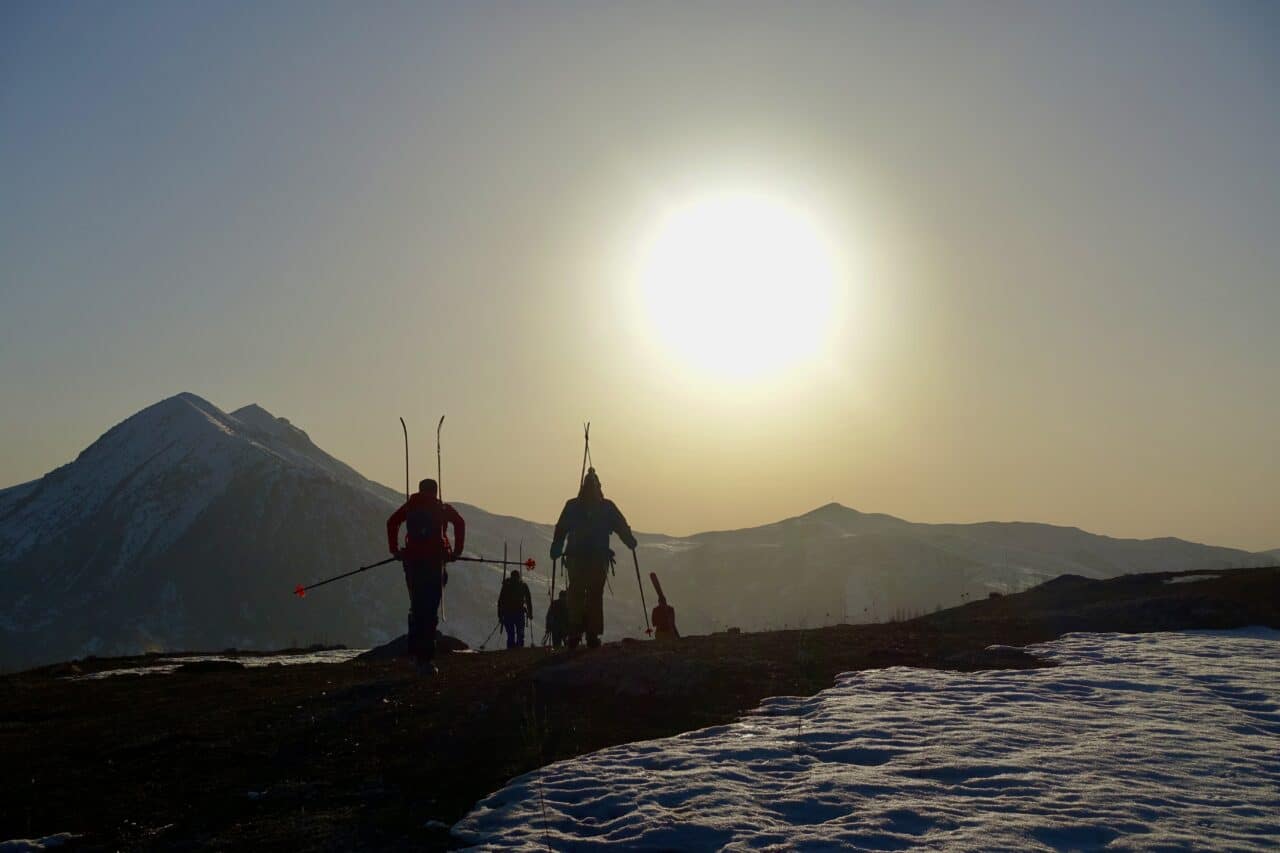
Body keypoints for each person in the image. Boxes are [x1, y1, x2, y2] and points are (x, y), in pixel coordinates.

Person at [549, 467, 637, 649]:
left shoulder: (573, 506)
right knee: (594, 596)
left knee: (576, 595)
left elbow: (561, 528)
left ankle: (575, 632)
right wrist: (629, 540)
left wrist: (557, 546)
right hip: (596, 559)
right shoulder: (606, 507)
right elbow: (621, 525)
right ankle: (591, 633)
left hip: (577, 558)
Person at [386, 478, 465, 676]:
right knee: (430, 609)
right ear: (436, 491)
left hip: (412, 564)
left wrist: (395, 550)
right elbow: (460, 523)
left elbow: (391, 522)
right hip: (435, 564)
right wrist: (456, 551)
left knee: (416, 606)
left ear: (419, 490)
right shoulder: (441, 508)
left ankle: (414, 654)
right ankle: (426, 659)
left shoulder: (410, 507)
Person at [498, 569, 533, 648]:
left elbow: (501, 601)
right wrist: (530, 613)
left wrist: (500, 615)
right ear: (518, 577)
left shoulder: (506, 585)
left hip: (508, 613)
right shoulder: (523, 585)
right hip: (519, 613)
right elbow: (528, 601)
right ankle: (518, 652)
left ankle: (511, 652)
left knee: (511, 635)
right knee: (520, 635)